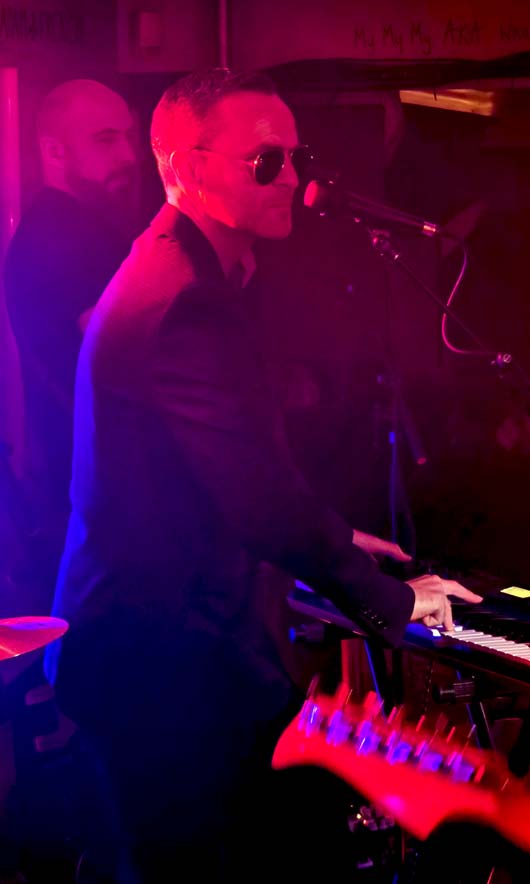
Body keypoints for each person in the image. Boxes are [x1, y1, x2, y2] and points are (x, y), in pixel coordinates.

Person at [45, 68, 481, 881]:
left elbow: (226, 471)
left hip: (179, 646)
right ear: (186, 168)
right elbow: (259, 500)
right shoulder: (182, 298)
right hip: (155, 659)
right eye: (266, 162)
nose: (294, 180)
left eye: (296, 157)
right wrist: (391, 600)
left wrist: (342, 537)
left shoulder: (198, 271)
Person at [4, 79, 138, 596]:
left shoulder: (75, 228)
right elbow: (126, 357)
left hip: (88, 478)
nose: (128, 155)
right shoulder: (62, 234)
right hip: (95, 484)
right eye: (106, 139)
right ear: (55, 151)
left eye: (128, 137)